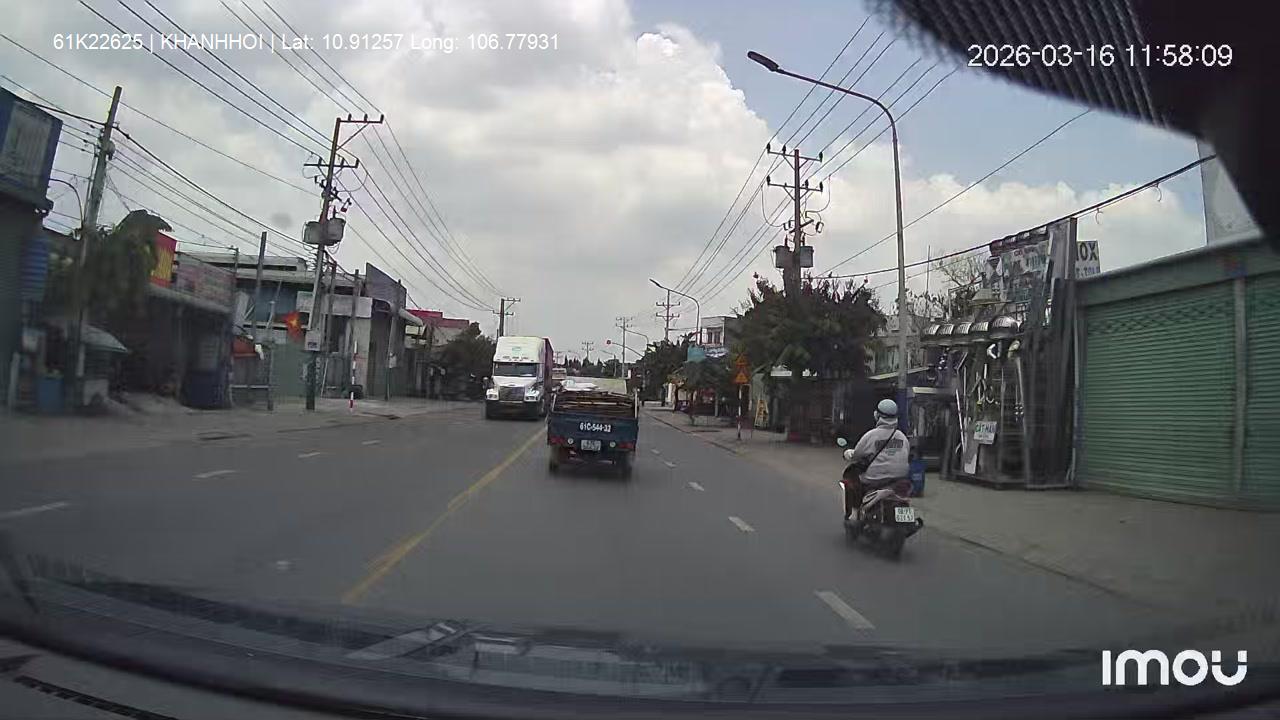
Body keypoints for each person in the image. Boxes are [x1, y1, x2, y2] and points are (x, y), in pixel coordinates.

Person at [843, 399, 911, 520]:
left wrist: (848, 453)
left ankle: (854, 513)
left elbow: (857, 455)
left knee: (851, 479)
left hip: (874, 479)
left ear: (877, 415)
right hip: (899, 479)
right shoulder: (902, 437)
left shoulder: (871, 435)